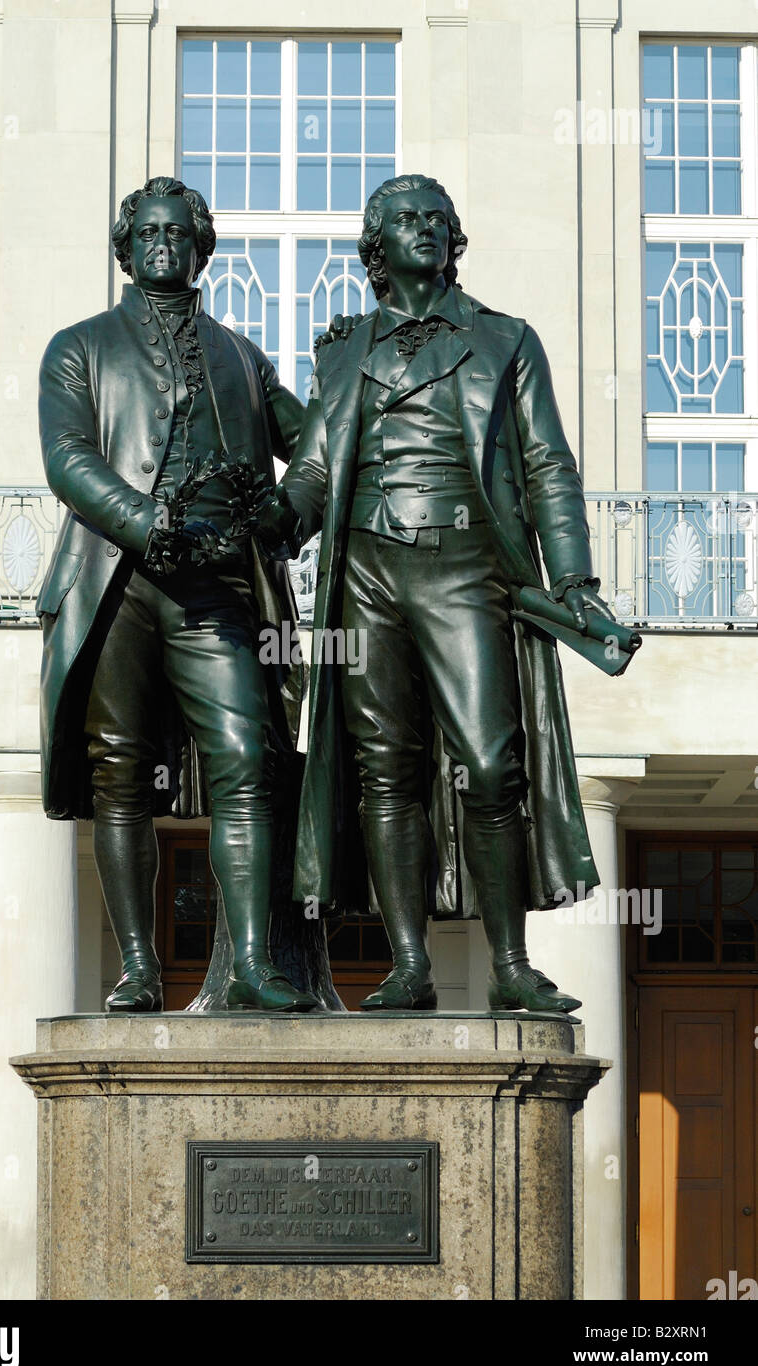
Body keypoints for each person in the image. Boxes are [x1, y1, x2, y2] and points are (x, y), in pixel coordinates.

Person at [258, 173, 622, 1013]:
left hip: (466, 564)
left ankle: (510, 965)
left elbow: (546, 468)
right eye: (404, 220)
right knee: (386, 770)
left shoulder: (505, 340)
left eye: (438, 219)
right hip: (369, 575)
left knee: (493, 765)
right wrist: (256, 529)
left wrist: (572, 580)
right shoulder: (344, 352)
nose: (424, 229)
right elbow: (313, 474)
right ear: (375, 247)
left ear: (455, 239)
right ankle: (409, 964)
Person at [37, 175, 317, 1013]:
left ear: (202, 248)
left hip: (217, 589)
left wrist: (284, 513)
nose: (164, 243)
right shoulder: (78, 346)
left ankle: (253, 964)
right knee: (120, 772)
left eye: (179, 232)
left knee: (246, 760)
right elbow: (68, 457)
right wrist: (143, 520)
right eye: (148, 232)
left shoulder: (241, 355)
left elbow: (315, 446)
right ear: (125, 250)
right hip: (115, 580)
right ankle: (138, 966)